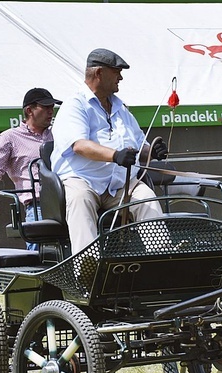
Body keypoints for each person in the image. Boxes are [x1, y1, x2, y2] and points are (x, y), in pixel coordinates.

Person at [51, 48, 168, 255]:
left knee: (146, 197)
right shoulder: (74, 105)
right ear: (99, 73)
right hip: (84, 180)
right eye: (116, 71)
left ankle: (161, 255)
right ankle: (88, 264)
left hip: (121, 185)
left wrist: (152, 151)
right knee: (80, 199)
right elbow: (79, 145)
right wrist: (115, 155)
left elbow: (140, 146)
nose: (120, 77)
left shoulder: (122, 109)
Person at [0, 87, 62, 250]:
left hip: (68, 201)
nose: (51, 111)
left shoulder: (60, 134)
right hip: (37, 206)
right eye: (46, 107)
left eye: (52, 107)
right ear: (29, 110)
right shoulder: (10, 137)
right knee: (41, 257)